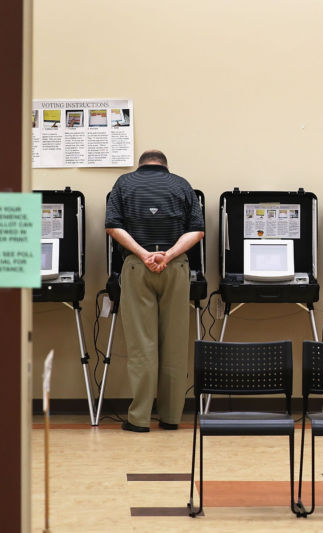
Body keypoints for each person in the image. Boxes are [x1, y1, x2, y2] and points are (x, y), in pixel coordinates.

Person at [105, 150, 204, 432]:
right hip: (175, 268)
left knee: (142, 346)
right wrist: (167, 255)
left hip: (138, 267)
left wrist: (143, 254)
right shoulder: (182, 185)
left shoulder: (124, 183)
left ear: (141, 165)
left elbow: (112, 225)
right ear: (165, 165)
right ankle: (172, 417)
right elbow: (197, 231)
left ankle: (139, 419)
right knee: (174, 344)